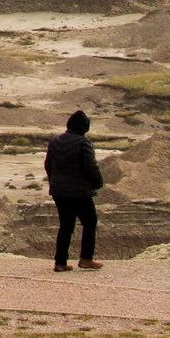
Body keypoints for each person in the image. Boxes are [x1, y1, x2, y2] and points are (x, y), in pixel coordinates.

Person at [44, 109, 104, 272]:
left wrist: (54, 182)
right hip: (79, 192)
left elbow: (48, 164)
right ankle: (86, 258)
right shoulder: (83, 143)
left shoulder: (55, 141)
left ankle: (60, 262)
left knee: (66, 225)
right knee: (90, 222)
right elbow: (90, 167)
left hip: (59, 191)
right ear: (85, 127)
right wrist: (98, 183)